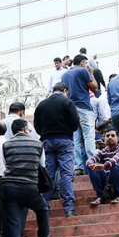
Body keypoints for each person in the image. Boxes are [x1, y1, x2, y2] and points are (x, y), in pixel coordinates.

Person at [2, 119, 56, 237]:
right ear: (25, 129)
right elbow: (42, 165)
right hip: (30, 187)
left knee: (12, 227)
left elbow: (6, 164)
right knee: (42, 208)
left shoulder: (6, 144)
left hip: (9, 187)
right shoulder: (38, 145)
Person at [34, 82, 80, 217]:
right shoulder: (67, 103)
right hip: (65, 140)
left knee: (48, 175)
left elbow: (37, 126)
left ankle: (44, 208)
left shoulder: (41, 105)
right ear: (65, 90)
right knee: (66, 174)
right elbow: (74, 123)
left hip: (47, 141)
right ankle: (69, 208)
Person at [62, 54, 100, 181]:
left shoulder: (65, 74)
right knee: (89, 135)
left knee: (76, 138)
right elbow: (95, 88)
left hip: (71, 108)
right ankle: (92, 162)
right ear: (83, 62)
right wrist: (92, 73)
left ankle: (78, 166)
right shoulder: (83, 70)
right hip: (84, 106)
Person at [85, 127, 119, 205]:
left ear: (118, 138)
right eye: (107, 136)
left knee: (116, 166)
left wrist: (105, 166)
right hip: (111, 183)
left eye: (113, 136)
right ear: (104, 138)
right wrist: (90, 164)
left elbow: (117, 159)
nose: (110, 138)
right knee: (92, 168)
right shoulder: (104, 151)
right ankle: (100, 196)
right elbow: (91, 160)